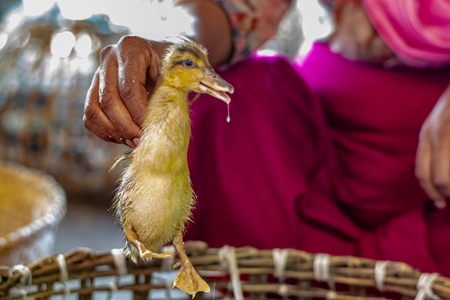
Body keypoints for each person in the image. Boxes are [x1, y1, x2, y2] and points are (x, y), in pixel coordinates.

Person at [83, 0, 450, 276]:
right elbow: (231, 12)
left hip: (430, 207)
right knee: (231, 92)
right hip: (312, 180)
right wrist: (173, 48)